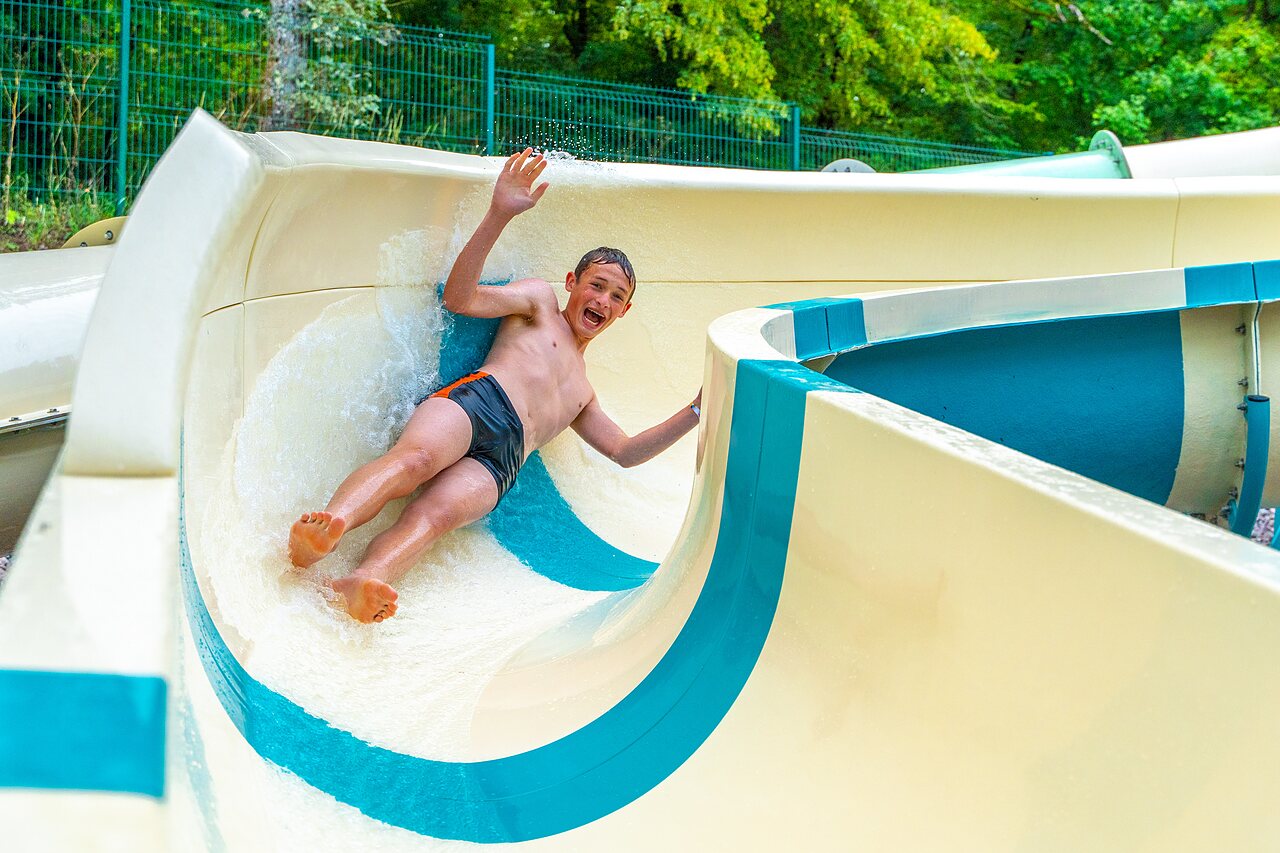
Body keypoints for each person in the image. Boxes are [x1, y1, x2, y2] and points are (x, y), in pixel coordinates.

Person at [287, 149, 703, 623]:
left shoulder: (583, 393)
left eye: (617, 296)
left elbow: (625, 451)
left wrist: (697, 410)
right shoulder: (540, 303)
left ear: (624, 312)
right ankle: (329, 528)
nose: (603, 300)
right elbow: (459, 297)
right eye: (596, 285)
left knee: (435, 517)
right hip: (480, 403)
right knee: (415, 460)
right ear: (571, 282)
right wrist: (499, 213)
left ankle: (360, 580)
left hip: (503, 461)